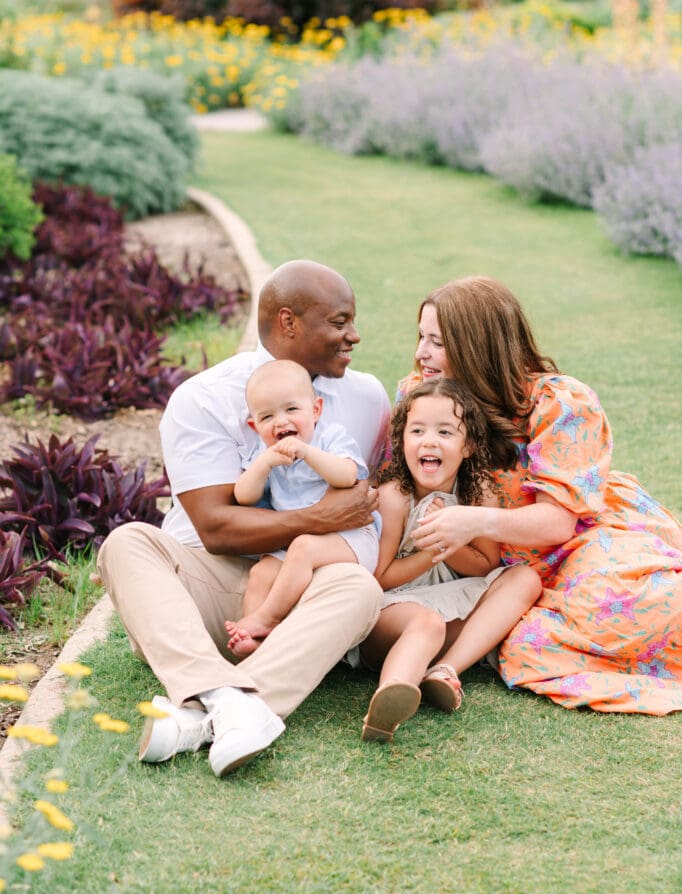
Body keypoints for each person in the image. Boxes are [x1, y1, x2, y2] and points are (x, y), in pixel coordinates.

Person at [96, 260, 390, 776]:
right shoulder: (204, 397)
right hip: (203, 597)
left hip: (300, 596)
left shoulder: (367, 397)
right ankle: (233, 701)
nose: (354, 335)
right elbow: (215, 528)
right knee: (126, 543)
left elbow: (369, 498)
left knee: (359, 588)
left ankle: (205, 712)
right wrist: (319, 518)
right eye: (339, 322)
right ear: (288, 322)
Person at [398, 275, 682, 715]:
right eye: (421, 337)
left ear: (477, 346)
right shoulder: (420, 394)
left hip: (576, 541)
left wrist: (472, 521)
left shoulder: (558, 402)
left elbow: (557, 524)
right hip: (493, 563)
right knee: (525, 641)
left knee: (635, 603)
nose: (421, 352)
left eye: (436, 342)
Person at [360, 379, 541, 742]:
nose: (429, 441)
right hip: (393, 614)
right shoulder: (395, 497)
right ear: (402, 442)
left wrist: (452, 541)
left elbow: (486, 566)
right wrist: (430, 552)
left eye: (444, 432)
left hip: (451, 609)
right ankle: (389, 700)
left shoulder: (479, 492)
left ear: (468, 445)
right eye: (417, 431)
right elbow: (379, 578)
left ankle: (445, 670)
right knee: (426, 622)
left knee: (525, 579)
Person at [224, 358, 380, 658]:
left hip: (350, 539)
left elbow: (347, 475)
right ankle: (254, 639)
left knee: (303, 547)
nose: (281, 422)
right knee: (261, 572)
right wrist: (264, 464)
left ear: (316, 410)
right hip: (297, 545)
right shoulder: (264, 453)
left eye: (292, 409)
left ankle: (267, 618)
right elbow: (244, 496)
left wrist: (307, 452)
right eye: (267, 416)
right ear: (255, 426)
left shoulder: (330, 438)